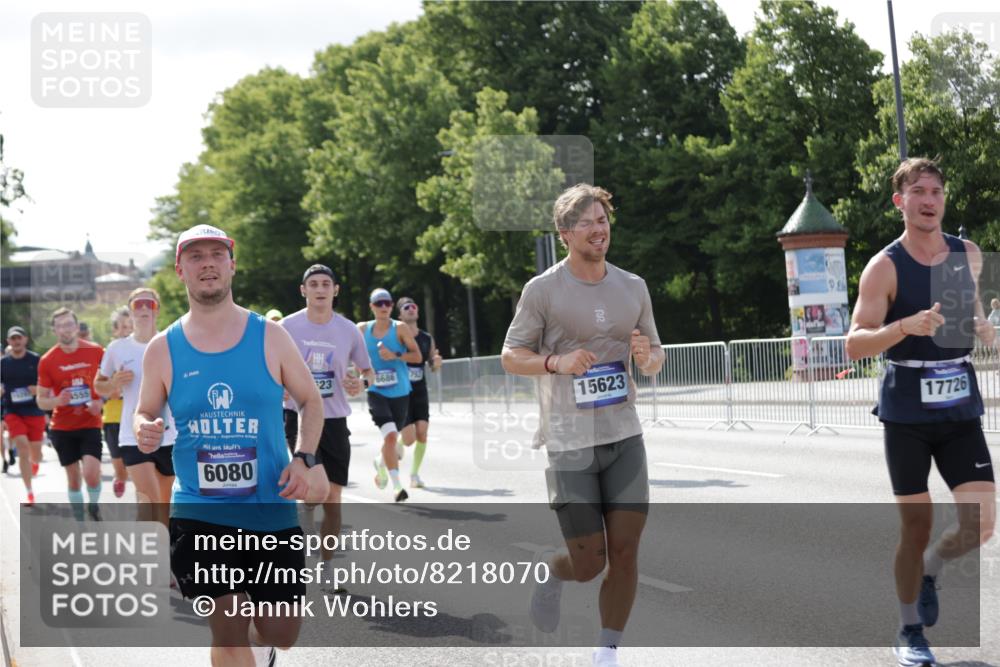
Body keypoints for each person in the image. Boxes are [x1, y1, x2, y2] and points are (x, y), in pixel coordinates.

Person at [134, 224, 325, 666]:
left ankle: (265, 644)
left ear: (231, 266)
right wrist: (146, 426)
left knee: (282, 630)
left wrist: (304, 458)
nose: (207, 264)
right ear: (181, 270)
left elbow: (310, 400)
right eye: (196, 256)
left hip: (269, 506)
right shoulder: (163, 348)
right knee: (227, 626)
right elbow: (146, 411)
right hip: (200, 511)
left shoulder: (270, 336)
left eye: (216, 255)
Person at [501, 184, 664, 667]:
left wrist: (645, 356)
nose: (600, 229)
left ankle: (607, 649)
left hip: (624, 434)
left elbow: (655, 355)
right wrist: (556, 362)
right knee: (589, 562)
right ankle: (553, 573)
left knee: (627, 551)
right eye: (589, 222)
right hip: (568, 441)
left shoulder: (632, 286)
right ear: (566, 233)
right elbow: (512, 356)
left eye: (604, 219)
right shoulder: (543, 290)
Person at [845, 158, 996, 667]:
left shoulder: (968, 254)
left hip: (959, 406)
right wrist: (903, 326)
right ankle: (910, 630)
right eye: (918, 192)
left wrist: (985, 331)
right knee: (916, 526)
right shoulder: (884, 266)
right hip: (907, 410)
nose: (929, 200)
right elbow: (854, 346)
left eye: (936, 191)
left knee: (981, 525)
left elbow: (973, 315)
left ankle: (929, 571)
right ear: (900, 202)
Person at [280, 264, 373, 587]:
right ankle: (302, 526)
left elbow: (367, 372)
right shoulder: (286, 328)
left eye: (326, 284)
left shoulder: (349, 330)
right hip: (297, 416)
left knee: (332, 498)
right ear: (303, 290)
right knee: (310, 487)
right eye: (313, 284)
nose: (320, 289)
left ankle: (328, 565)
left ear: (335, 290)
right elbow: (269, 367)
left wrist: (360, 383)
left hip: (334, 420)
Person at [95, 290, 176, 528]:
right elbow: (99, 385)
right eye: (137, 304)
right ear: (131, 311)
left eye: (148, 303)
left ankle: (165, 552)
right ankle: (152, 555)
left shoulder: (170, 343)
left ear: (156, 309)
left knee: (164, 503)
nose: (143, 308)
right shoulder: (117, 348)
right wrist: (113, 383)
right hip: (133, 434)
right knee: (149, 502)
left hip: (169, 434)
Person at [35, 308, 105, 520]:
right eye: (60, 326)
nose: (65, 329)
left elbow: (110, 386)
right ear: (54, 330)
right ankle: (79, 519)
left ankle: (93, 505)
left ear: (76, 327)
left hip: (90, 423)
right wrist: (57, 400)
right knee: (74, 478)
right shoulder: (48, 360)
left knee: (91, 475)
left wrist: (100, 402)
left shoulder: (96, 352)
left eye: (68, 324)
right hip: (62, 427)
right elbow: (40, 400)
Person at [358, 288, 421, 503]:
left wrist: (395, 355)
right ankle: (397, 487)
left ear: (392, 306)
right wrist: (358, 374)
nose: (383, 307)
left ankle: (380, 463)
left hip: (401, 392)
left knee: (393, 439)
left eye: (387, 303)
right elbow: (351, 355)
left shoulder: (400, 328)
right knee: (391, 436)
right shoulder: (362, 329)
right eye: (379, 303)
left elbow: (417, 355)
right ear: (372, 307)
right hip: (376, 392)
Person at [396, 296, 442, 488]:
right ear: (400, 314)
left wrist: (436, 363)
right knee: (408, 440)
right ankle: (388, 453)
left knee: (422, 433)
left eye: (413, 306)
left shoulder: (426, 338)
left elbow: (433, 363)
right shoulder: (396, 337)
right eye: (406, 307)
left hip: (420, 391)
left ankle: (414, 475)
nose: (411, 309)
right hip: (401, 392)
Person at [1, 326, 46, 505]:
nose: (16, 341)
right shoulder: (3, 363)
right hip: (13, 411)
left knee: (36, 453)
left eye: (19, 338)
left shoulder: (36, 360)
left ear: (25, 339)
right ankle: (29, 492)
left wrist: (37, 389)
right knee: (21, 446)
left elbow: (47, 384)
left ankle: (35, 463)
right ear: (8, 342)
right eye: (13, 339)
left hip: (34, 411)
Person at [100, 306, 133, 497]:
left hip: (137, 416)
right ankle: (119, 477)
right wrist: (113, 387)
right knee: (121, 467)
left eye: (130, 326)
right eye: (122, 327)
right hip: (113, 418)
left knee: (141, 467)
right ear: (115, 330)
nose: (126, 330)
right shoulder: (109, 352)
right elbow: (98, 386)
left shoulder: (146, 349)